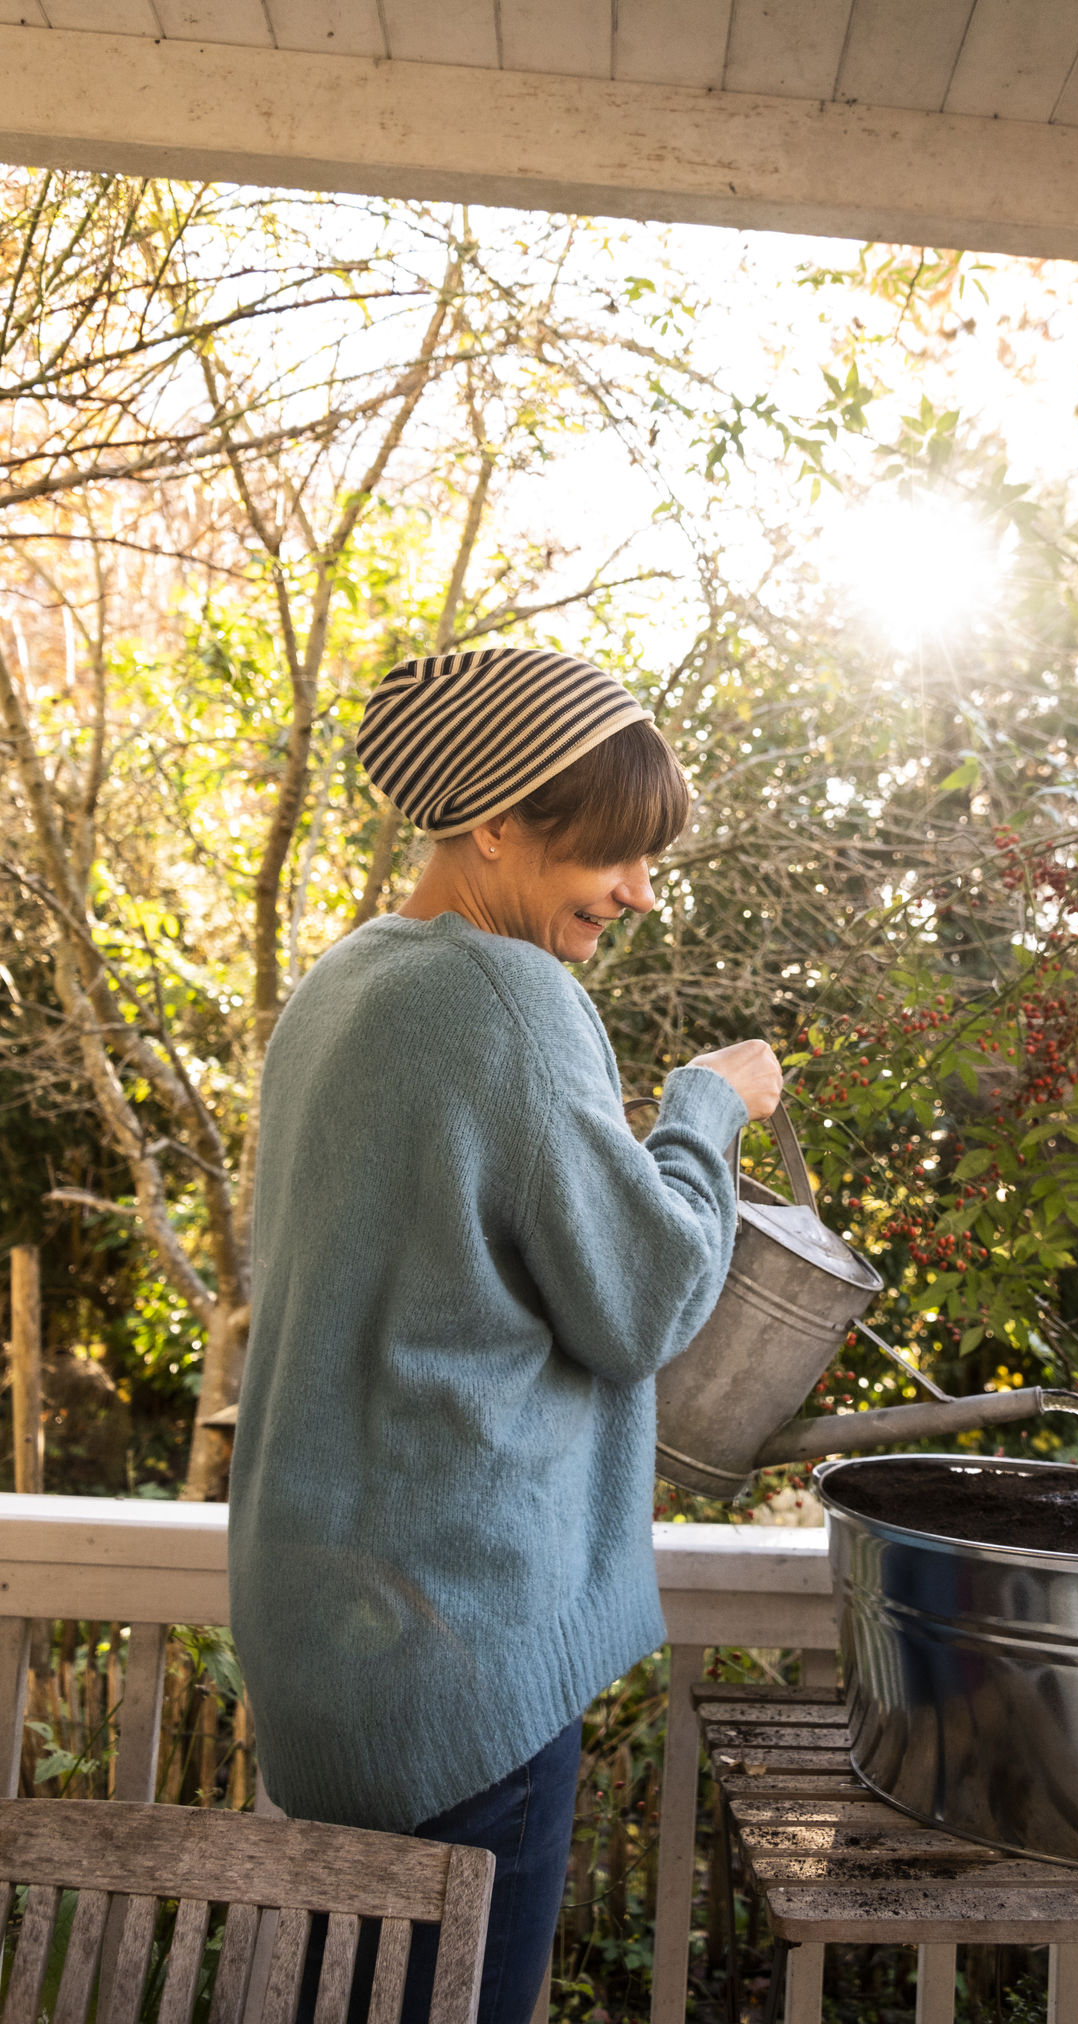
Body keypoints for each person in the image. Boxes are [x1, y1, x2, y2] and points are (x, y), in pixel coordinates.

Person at [228, 645, 782, 2024]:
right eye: (615, 855)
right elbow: (644, 1298)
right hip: (457, 1657)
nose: (640, 892)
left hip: (327, 1656)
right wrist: (703, 1112)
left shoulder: (342, 984)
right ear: (495, 825)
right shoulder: (510, 1000)